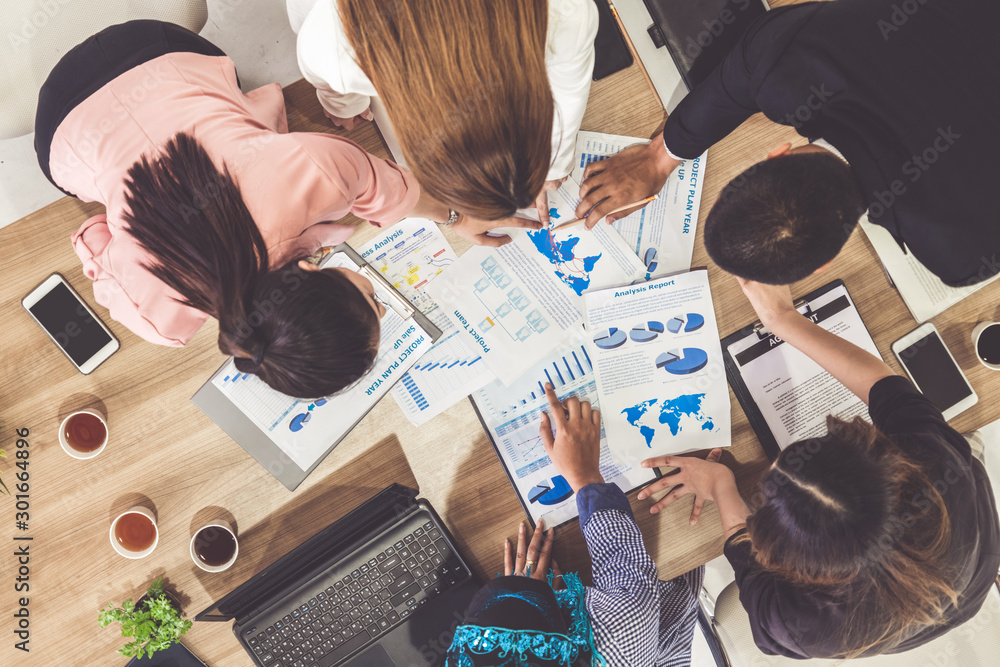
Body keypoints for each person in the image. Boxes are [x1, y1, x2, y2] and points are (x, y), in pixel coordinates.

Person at [35, 20, 450, 398]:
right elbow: (92, 237)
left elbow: (394, 191)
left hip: (155, 46)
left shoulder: (323, 172)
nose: (381, 303)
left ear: (310, 271)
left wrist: (455, 215)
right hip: (59, 116)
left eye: (370, 298)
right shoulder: (159, 321)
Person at [637, 279, 1000, 659]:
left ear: (784, 562)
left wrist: (723, 486)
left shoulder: (797, 625)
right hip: (970, 570)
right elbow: (883, 387)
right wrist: (782, 318)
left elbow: (748, 565)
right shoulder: (939, 462)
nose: (779, 462)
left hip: (959, 577)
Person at [576, 0, 1000, 287]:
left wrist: (658, 156)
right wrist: (659, 157)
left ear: (824, 264)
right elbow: (739, 77)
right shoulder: (791, 64)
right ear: (775, 155)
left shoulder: (960, 253)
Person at [289, 0, 599, 246]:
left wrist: (552, 167)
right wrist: (345, 103)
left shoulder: (566, 10)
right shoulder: (332, 48)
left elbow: (569, 86)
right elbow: (325, 70)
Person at [444, 385, 703, 666]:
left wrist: (521, 595)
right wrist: (584, 474)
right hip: (666, 604)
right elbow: (622, 559)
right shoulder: (618, 638)